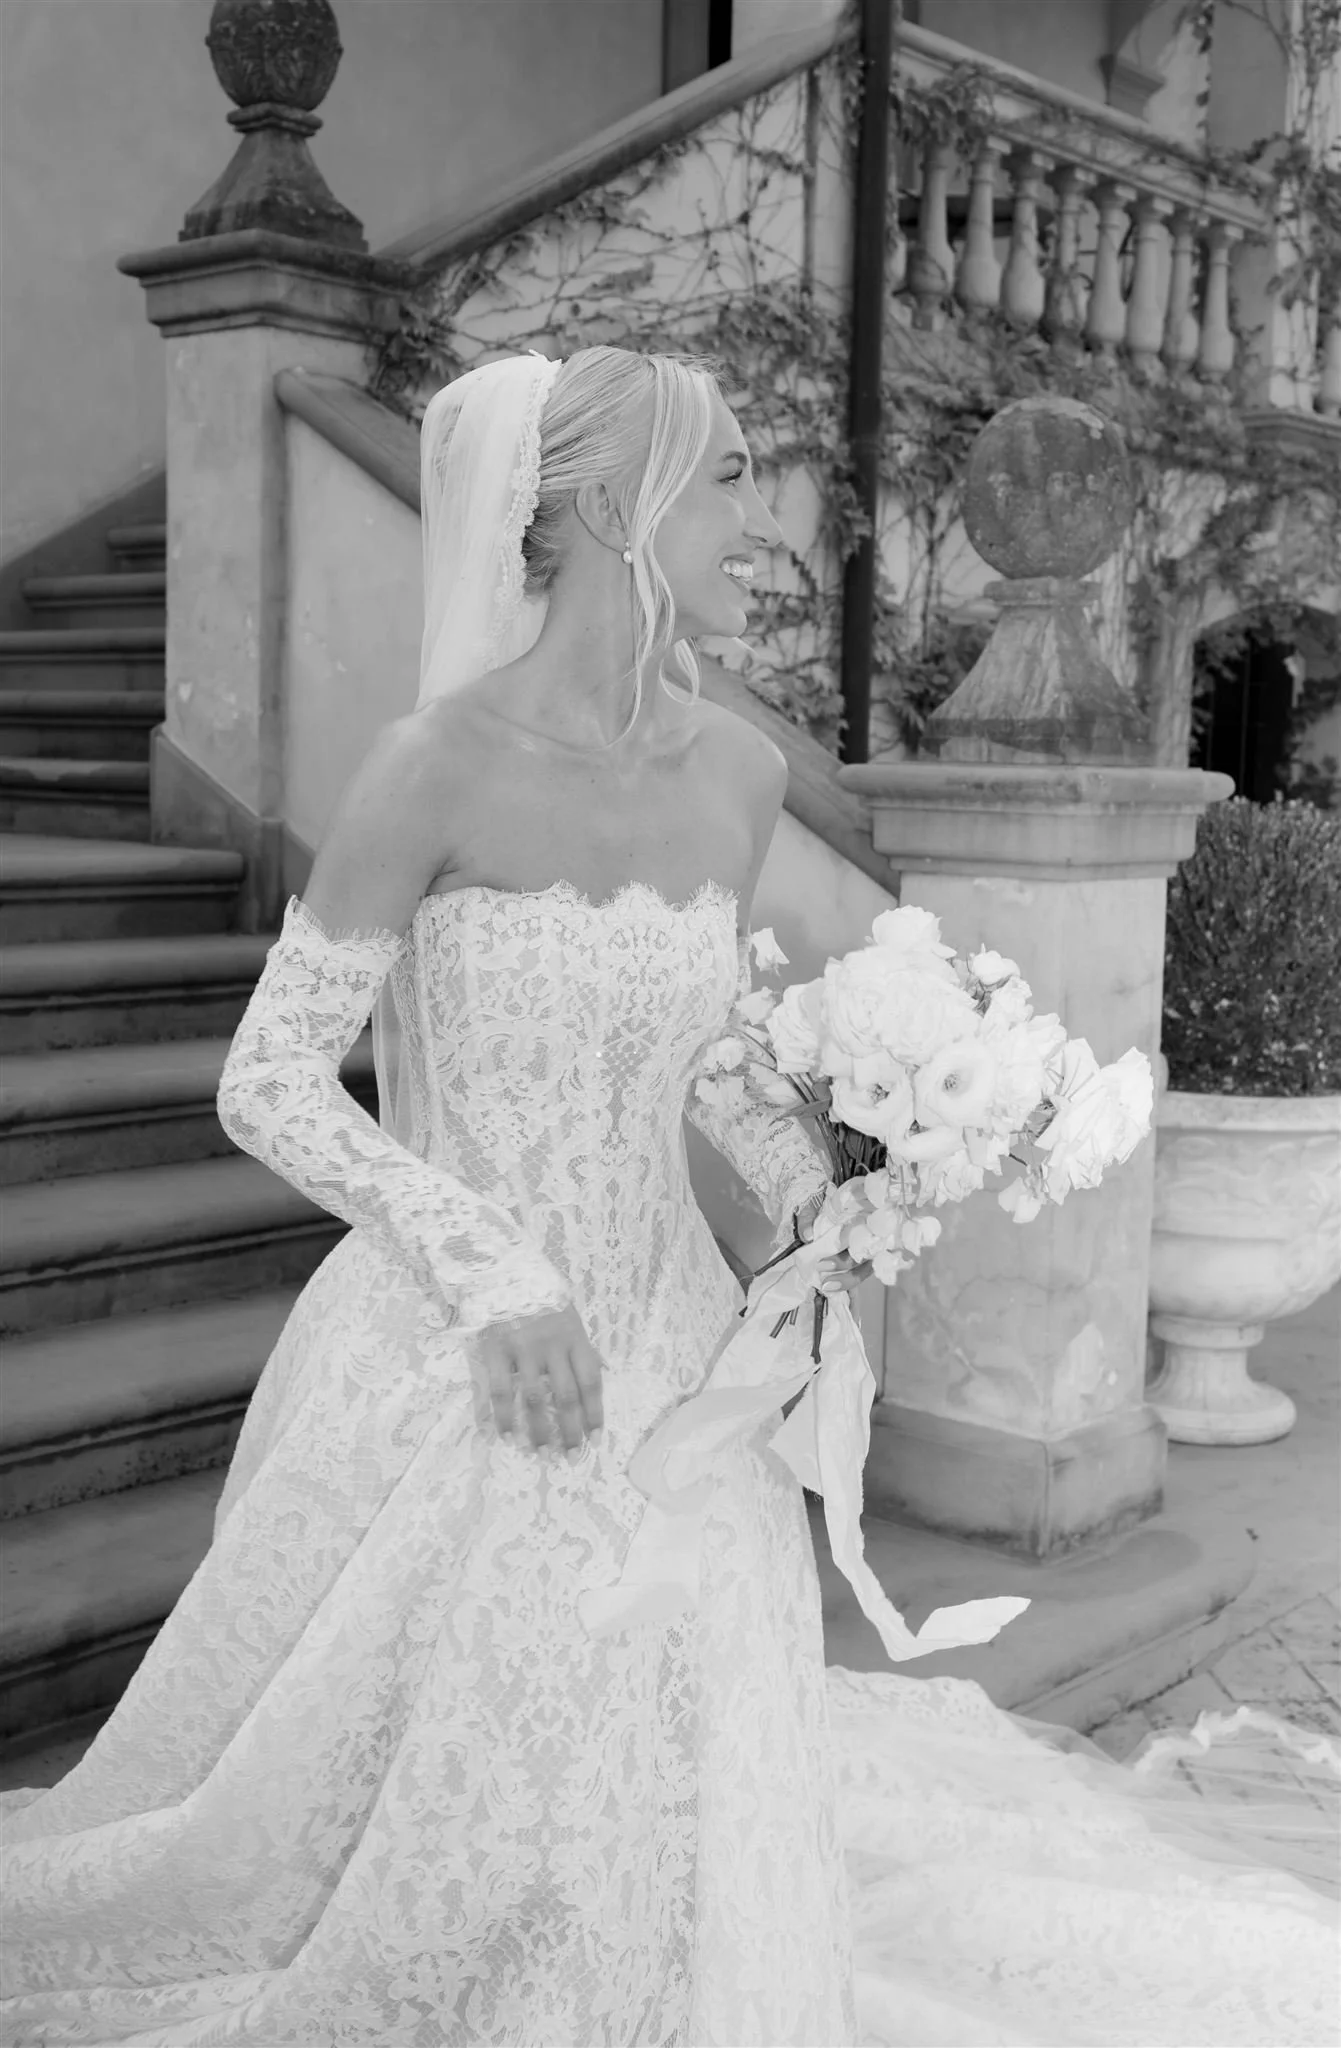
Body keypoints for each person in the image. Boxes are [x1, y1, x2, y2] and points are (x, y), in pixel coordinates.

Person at [1, 347, 1335, 2048]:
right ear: (611, 506)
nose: (761, 521)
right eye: (726, 479)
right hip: (469, 1356)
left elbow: (694, 1065)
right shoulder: (431, 765)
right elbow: (267, 1080)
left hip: (679, 1356)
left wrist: (829, 1204)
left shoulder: (739, 774)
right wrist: (490, 1270)